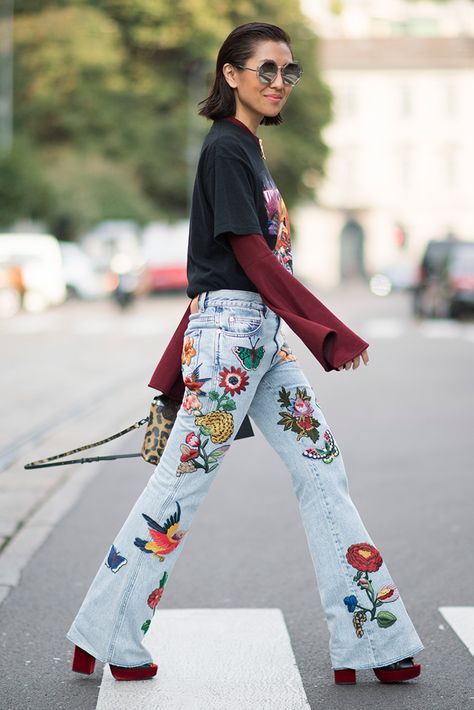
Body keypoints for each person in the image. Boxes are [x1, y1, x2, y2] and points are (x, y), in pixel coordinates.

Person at [67, 21, 424, 685]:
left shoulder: (251, 149)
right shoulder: (226, 149)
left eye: (287, 71)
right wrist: (328, 330)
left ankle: (368, 640)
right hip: (232, 339)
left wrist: (299, 331)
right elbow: (248, 257)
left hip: (258, 339)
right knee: (180, 487)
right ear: (230, 74)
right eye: (265, 69)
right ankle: (108, 630)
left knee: (323, 470)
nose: (278, 82)